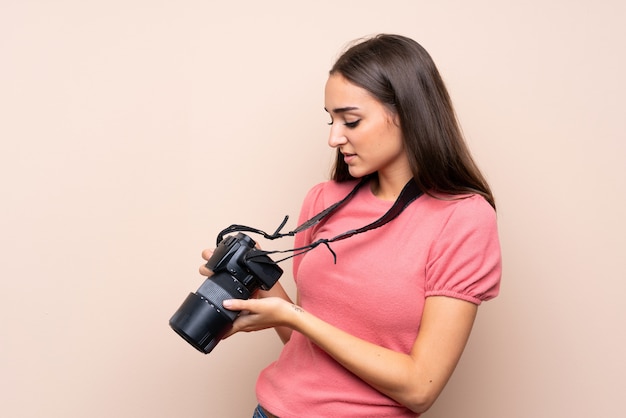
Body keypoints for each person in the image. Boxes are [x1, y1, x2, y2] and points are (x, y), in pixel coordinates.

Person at [200, 34, 501, 418]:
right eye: (331, 120)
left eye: (351, 120)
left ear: (408, 112)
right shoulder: (323, 199)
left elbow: (419, 389)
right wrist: (259, 283)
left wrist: (295, 316)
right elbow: (304, 341)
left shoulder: (464, 218)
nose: (333, 137)